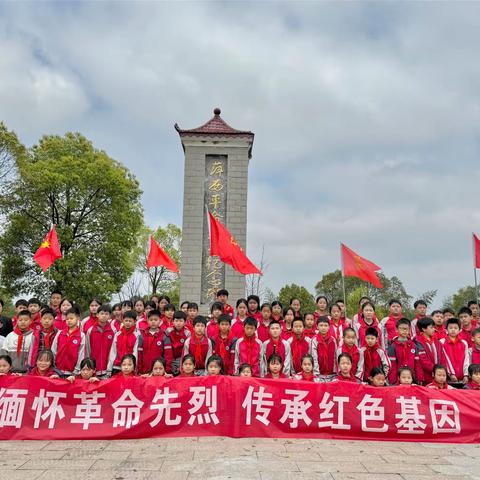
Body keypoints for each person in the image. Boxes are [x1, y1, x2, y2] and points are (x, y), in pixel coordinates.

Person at [51, 307, 85, 377]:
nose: (69, 321)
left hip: (72, 373)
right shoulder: (60, 333)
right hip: (57, 371)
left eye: (71, 318)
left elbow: (81, 354)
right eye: (67, 319)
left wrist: (76, 370)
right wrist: (53, 367)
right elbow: (53, 350)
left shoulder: (81, 335)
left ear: (78, 318)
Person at [85, 304, 115, 378]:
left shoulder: (113, 330)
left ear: (109, 316)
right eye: (102, 313)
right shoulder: (90, 330)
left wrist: (110, 368)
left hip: (108, 370)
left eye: (106, 314)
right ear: (97, 315)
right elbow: (87, 349)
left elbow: (114, 351)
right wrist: (89, 366)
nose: (104, 316)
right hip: (94, 370)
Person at [387, 318, 418, 385]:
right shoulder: (393, 346)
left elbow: (417, 363)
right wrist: (393, 381)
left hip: (411, 379)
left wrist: (418, 378)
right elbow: (392, 365)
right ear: (396, 330)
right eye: (401, 328)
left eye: (406, 329)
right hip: (399, 380)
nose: (404, 331)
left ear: (409, 330)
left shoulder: (414, 345)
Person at [107, 311, 140, 376]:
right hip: (117, 366)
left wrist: (134, 367)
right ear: (122, 320)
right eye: (126, 320)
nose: (128, 323)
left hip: (129, 367)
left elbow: (135, 353)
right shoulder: (117, 334)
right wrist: (109, 368)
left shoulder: (137, 335)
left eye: (130, 321)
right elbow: (113, 352)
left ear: (135, 321)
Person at [438, 318, 469, 384]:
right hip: (448, 378)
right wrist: (451, 374)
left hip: (462, 378)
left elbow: (466, 359)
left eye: (455, 328)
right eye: (450, 328)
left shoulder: (464, 343)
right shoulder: (442, 342)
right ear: (446, 330)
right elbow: (444, 359)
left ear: (460, 330)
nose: (453, 330)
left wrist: (466, 374)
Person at [137, 310, 165, 375]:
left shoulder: (164, 335)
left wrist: (166, 370)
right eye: (151, 320)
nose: (153, 322)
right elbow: (139, 355)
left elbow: (167, 355)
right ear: (147, 320)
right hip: (145, 371)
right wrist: (140, 370)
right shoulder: (142, 336)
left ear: (160, 321)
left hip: (159, 371)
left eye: (155, 320)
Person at [164, 311, 191, 375]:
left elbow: (187, 349)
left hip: (181, 358)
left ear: (185, 322)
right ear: (172, 321)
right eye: (176, 321)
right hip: (170, 357)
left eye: (181, 321)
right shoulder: (168, 331)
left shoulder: (187, 333)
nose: (178, 323)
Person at [415, 317, 439, 385]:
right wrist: (435, 370)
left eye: (434, 327)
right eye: (431, 327)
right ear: (423, 329)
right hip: (425, 376)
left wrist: (440, 370)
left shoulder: (437, 342)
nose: (434, 329)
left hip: (438, 374)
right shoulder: (417, 342)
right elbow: (423, 360)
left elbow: (441, 357)